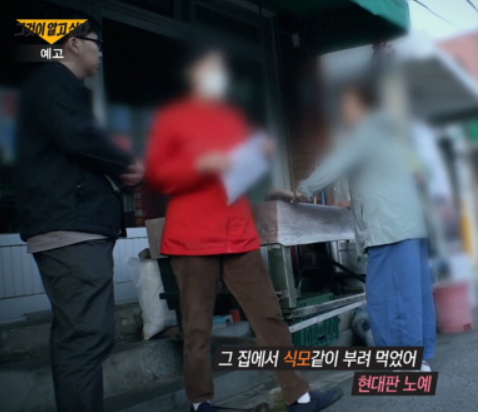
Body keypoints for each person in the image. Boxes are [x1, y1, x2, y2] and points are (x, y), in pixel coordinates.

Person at [145, 41, 343, 412]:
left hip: (238, 232)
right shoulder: (172, 118)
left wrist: (260, 163)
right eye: (211, 68)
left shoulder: (233, 119)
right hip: (192, 238)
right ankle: (201, 404)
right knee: (197, 328)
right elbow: (158, 175)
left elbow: (242, 173)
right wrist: (201, 165)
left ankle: (299, 395)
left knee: (268, 316)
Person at [14, 15, 144, 412]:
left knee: (79, 337)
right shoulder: (54, 81)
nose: (101, 53)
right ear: (72, 43)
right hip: (71, 230)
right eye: (96, 43)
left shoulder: (56, 87)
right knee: (87, 337)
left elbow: (75, 145)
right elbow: (78, 137)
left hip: (72, 227)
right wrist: (126, 164)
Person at [292, 76, 436, 371]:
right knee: (413, 295)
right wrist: (351, 203)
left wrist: (301, 191)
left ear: (360, 104)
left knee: (388, 297)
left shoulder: (364, 131)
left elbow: (335, 165)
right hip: (410, 226)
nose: (341, 111)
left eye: (344, 104)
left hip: (389, 231)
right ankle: (420, 356)